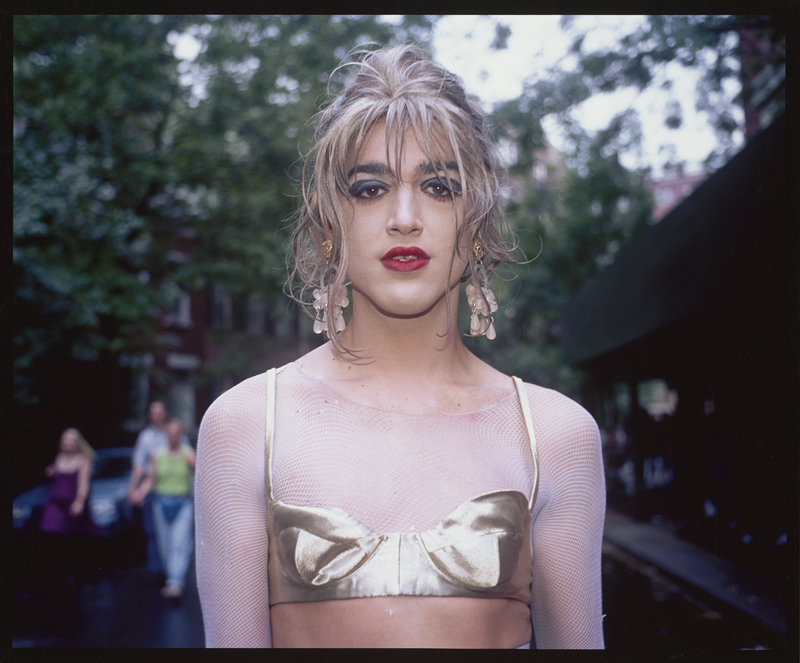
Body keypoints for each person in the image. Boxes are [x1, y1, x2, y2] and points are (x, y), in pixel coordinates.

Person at [195, 44, 605, 648]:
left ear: (480, 218)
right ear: (330, 222)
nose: (405, 217)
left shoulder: (555, 435)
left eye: (439, 186)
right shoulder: (245, 425)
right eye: (370, 189)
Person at [133, 419, 196, 601]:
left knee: (180, 542)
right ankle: (171, 579)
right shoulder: (157, 455)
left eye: (177, 434)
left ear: (181, 435)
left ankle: (175, 584)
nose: (173, 437)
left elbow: (200, 475)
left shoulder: (188, 454)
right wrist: (140, 492)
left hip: (182, 503)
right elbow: (151, 478)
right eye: (170, 433)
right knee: (165, 545)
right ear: (166, 435)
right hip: (161, 503)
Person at [40, 428, 97, 579]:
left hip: (71, 503)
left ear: (77, 443)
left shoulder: (82, 461)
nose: (68, 444)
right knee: (50, 529)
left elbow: (84, 484)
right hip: (55, 502)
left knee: (71, 536)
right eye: (65, 441)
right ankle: (55, 569)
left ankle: (72, 571)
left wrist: (79, 501)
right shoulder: (59, 458)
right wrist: (52, 472)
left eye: (71, 441)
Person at [128, 401, 169, 582]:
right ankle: (156, 570)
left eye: (160, 412)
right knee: (151, 531)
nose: (156, 415)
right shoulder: (145, 437)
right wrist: (133, 488)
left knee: (170, 532)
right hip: (150, 489)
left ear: (165, 414)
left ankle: (170, 570)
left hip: (170, 487)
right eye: (153, 412)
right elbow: (138, 465)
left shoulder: (173, 434)